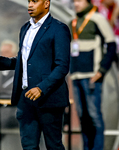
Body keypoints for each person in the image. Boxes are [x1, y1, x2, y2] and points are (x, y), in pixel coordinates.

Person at [0, 0, 71, 149]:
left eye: (35, 1)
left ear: (46, 4)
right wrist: (0, 61)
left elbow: (62, 67)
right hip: (25, 99)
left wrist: (41, 88)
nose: (30, 5)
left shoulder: (59, 29)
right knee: (28, 146)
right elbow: (23, 61)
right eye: (29, 1)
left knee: (54, 146)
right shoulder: (25, 28)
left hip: (49, 98)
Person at [69, 0, 117, 149]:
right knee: (83, 117)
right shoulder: (73, 21)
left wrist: (101, 71)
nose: (76, 4)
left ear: (88, 2)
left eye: (80, 1)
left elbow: (111, 45)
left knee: (94, 116)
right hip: (76, 76)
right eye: (74, 1)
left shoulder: (98, 19)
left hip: (91, 76)